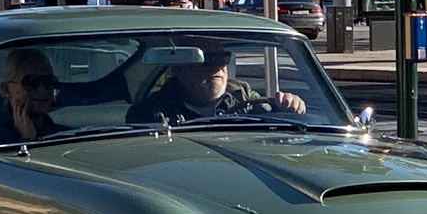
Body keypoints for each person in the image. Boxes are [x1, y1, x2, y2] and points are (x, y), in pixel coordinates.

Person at [130, 41, 307, 123]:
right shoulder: (151, 112)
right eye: (207, 59)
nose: (218, 66)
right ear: (180, 69)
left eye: (224, 57)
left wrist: (288, 106)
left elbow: (272, 120)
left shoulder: (242, 95)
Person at [0, 48, 61, 143]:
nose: (42, 90)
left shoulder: (60, 132)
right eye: (30, 82)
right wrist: (27, 138)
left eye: (48, 81)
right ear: (6, 89)